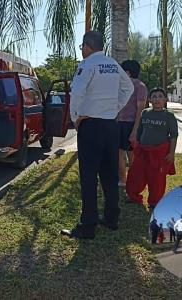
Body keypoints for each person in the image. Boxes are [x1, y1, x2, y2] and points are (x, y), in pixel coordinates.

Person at [61, 31, 134, 239]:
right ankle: (111, 219)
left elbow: (77, 92)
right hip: (111, 126)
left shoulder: (87, 65)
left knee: (89, 176)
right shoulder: (112, 64)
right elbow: (127, 87)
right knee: (110, 175)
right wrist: (116, 107)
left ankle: (88, 225)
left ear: (86, 46)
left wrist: (76, 117)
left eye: (81, 47)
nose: (81, 50)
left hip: (91, 126)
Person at [126, 88, 178, 209]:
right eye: (154, 96)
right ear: (149, 99)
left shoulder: (169, 116)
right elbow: (140, 131)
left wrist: (171, 153)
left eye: (160, 96)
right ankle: (133, 196)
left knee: (157, 179)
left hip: (159, 152)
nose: (157, 99)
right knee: (136, 174)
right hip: (143, 150)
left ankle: (155, 201)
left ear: (165, 99)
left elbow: (174, 136)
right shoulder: (145, 112)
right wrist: (137, 144)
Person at [118, 60, 148, 187]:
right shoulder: (120, 85)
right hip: (119, 123)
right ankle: (123, 180)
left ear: (128, 72)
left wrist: (135, 130)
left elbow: (140, 109)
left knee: (131, 154)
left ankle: (131, 181)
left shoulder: (139, 86)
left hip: (131, 123)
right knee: (119, 154)